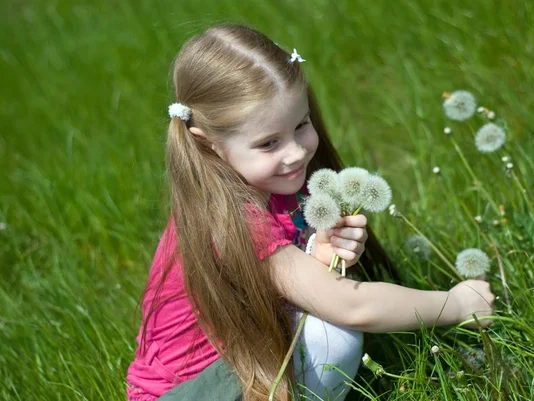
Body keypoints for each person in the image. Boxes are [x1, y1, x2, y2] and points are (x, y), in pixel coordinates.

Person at [126, 23, 495, 401]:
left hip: (235, 367)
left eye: (301, 124)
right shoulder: (233, 220)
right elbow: (353, 305)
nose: (297, 152)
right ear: (210, 144)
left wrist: (318, 256)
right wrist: (457, 304)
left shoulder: (271, 182)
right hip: (195, 392)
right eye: (269, 142)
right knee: (335, 334)